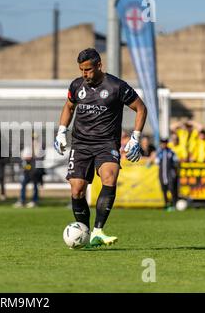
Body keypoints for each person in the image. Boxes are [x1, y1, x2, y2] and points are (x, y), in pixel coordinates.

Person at [54, 48, 147, 248]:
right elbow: (69, 106)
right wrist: (62, 130)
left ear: (99, 65)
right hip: (81, 144)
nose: (84, 74)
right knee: (77, 189)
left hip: (106, 143)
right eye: (81, 70)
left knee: (109, 177)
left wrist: (135, 138)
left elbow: (141, 108)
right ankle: (84, 234)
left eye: (88, 69)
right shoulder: (76, 85)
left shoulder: (117, 86)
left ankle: (98, 231)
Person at [13, 134, 45, 208]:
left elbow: (37, 156)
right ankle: (22, 200)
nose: (33, 140)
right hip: (28, 168)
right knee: (24, 183)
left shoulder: (39, 146)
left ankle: (34, 201)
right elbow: (24, 156)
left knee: (35, 185)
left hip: (35, 169)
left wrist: (30, 156)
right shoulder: (28, 146)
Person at [155, 138, 179, 211]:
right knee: (164, 190)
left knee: (172, 189)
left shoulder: (171, 152)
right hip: (162, 173)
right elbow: (157, 162)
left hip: (169, 173)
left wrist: (174, 171)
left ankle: (174, 204)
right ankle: (166, 204)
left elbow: (175, 161)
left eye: (165, 143)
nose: (163, 145)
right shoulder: (159, 152)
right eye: (162, 143)